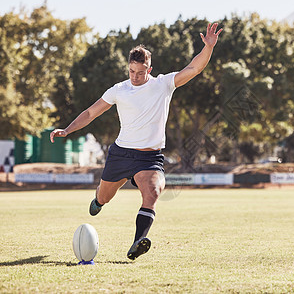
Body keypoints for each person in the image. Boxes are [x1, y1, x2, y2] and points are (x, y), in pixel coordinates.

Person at [50, 23, 222, 261]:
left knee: (153, 192)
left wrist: (208, 48)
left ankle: (138, 241)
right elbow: (91, 113)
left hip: (150, 158)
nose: (135, 76)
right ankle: (98, 199)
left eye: (140, 72)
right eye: (131, 71)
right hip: (121, 155)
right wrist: (67, 129)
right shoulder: (118, 90)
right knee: (104, 198)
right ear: (128, 68)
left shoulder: (163, 84)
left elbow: (194, 68)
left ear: (149, 68)